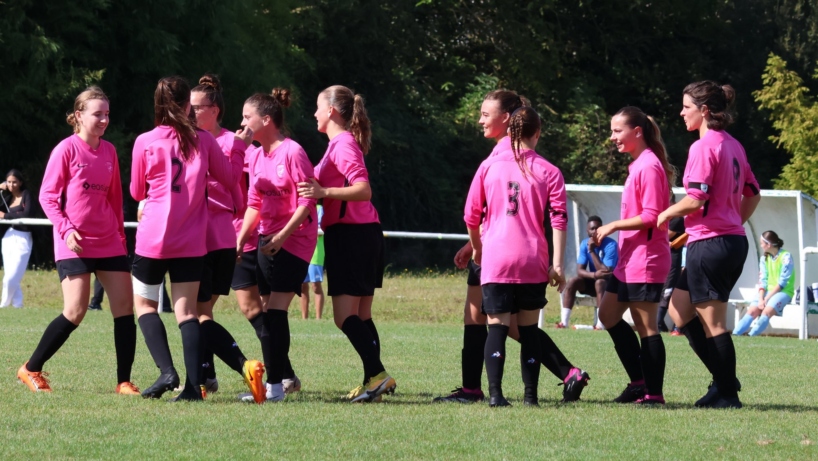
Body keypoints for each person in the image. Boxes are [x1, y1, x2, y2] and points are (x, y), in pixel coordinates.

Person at [436, 90, 589, 404]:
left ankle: (476, 390)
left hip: (494, 252)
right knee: (515, 324)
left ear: (507, 119)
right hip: (521, 252)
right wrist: (471, 244)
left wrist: (476, 245)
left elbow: (484, 210)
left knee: (484, 318)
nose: (480, 119)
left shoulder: (497, 157)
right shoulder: (540, 165)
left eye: (485, 114)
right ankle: (557, 377)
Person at [130, 76, 260, 402]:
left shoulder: (146, 140)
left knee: (145, 306)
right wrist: (239, 147)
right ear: (187, 105)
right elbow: (230, 179)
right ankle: (192, 386)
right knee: (187, 312)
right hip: (191, 242)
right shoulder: (203, 140)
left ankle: (166, 371)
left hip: (152, 239)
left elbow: (135, 191)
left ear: (158, 104)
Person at [17, 86, 139, 395]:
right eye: (98, 114)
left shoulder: (109, 151)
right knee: (75, 310)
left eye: (107, 114)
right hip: (74, 241)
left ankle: (123, 382)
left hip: (109, 241)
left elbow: (114, 199)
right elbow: (47, 195)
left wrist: (121, 238)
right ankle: (30, 368)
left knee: (125, 309)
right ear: (79, 115)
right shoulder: (66, 150)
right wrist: (66, 229)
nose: (103, 120)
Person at [658, 81, 761, 409]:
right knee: (677, 310)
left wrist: (661, 216)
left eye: (686, 106)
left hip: (713, 245)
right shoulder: (733, 145)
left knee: (713, 323)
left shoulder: (703, 147)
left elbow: (695, 198)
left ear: (703, 111)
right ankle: (723, 380)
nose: (681, 112)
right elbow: (753, 193)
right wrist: (731, 222)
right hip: (728, 242)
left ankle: (727, 391)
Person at [297, 85, 396, 403]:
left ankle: (378, 376)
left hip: (352, 237)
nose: (313, 113)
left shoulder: (342, 145)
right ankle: (373, 382)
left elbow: (363, 190)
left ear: (331, 111)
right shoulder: (338, 145)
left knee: (344, 317)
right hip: (362, 234)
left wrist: (323, 194)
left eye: (317, 107)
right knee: (362, 316)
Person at [464, 106, 569, 407]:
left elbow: (471, 215)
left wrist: (478, 248)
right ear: (537, 133)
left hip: (496, 256)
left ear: (510, 131)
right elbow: (559, 219)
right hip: (532, 258)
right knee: (528, 329)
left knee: (496, 326)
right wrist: (558, 265)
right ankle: (530, 397)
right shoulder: (550, 171)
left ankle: (496, 395)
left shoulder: (489, 166)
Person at [237, 88, 316, 402]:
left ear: (266, 120)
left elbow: (308, 202)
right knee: (268, 311)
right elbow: (254, 203)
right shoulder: (255, 154)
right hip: (267, 240)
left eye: (247, 117)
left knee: (275, 313)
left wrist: (283, 236)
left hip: (294, 241)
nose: (241, 123)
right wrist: (241, 240)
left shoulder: (292, 152)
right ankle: (281, 382)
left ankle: (275, 388)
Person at [189, 74, 266, 399]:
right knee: (200, 308)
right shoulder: (196, 140)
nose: (189, 113)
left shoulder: (229, 145)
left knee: (196, 314)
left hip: (216, 237)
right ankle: (207, 378)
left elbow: (248, 191)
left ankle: (246, 367)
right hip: (215, 236)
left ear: (215, 110)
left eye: (195, 108)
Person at [594, 106, 674, 405]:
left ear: (637, 132)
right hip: (629, 259)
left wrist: (613, 225)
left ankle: (654, 394)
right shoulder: (639, 164)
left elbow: (653, 216)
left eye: (617, 131)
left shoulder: (650, 166)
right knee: (608, 314)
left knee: (647, 327)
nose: (612, 137)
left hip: (646, 258)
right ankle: (639, 382)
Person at [559, 216, 618, 328]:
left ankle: (600, 325)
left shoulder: (611, 245)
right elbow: (579, 271)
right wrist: (595, 274)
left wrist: (591, 251)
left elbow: (606, 272)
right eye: (592, 229)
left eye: (598, 228)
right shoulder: (584, 244)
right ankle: (564, 323)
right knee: (573, 281)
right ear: (587, 231)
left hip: (610, 286)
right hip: (594, 281)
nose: (595, 232)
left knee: (600, 282)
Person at [733, 231, 794, 336]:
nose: (761, 246)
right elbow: (763, 280)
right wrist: (761, 298)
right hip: (766, 292)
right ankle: (735, 335)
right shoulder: (764, 259)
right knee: (751, 312)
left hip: (783, 291)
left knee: (766, 312)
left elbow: (782, 282)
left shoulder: (786, 257)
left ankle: (751, 336)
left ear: (769, 245)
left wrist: (766, 299)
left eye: (762, 243)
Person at [0, 169, 34, 308]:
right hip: (9, 236)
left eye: (14, 182)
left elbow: (27, 214)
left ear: (20, 182)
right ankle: (17, 304)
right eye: (9, 182)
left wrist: (5, 216)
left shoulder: (26, 195)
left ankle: (3, 304)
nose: (12, 185)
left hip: (23, 237)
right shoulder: (7, 198)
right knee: (9, 274)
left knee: (11, 277)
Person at [300, 203, 325, 320]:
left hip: (315, 253)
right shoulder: (298, 207)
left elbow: (321, 228)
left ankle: (318, 318)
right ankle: (304, 318)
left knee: (316, 285)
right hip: (300, 250)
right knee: (302, 285)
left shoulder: (319, 209)